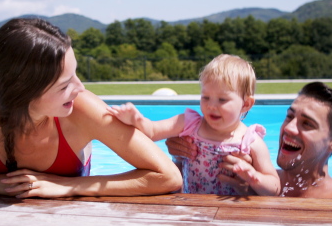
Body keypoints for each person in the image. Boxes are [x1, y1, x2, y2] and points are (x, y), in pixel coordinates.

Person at [0, 18, 182, 198]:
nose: (80, 88)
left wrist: (67, 186)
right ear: (24, 93)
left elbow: (167, 176)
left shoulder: (83, 110)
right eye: (64, 85)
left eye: (75, 73)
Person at [108, 54, 280, 196]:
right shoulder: (190, 123)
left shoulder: (250, 141)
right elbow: (152, 131)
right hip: (190, 205)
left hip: (231, 213)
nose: (211, 105)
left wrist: (255, 177)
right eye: (205, 97)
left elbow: (274, 187)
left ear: (246, 104)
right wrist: (136, 119)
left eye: (222, 99)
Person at [166, 81, 332, 199]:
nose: (289, 128)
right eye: (289, 116)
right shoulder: (249, 176)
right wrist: (184, 155)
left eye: (307, 124)